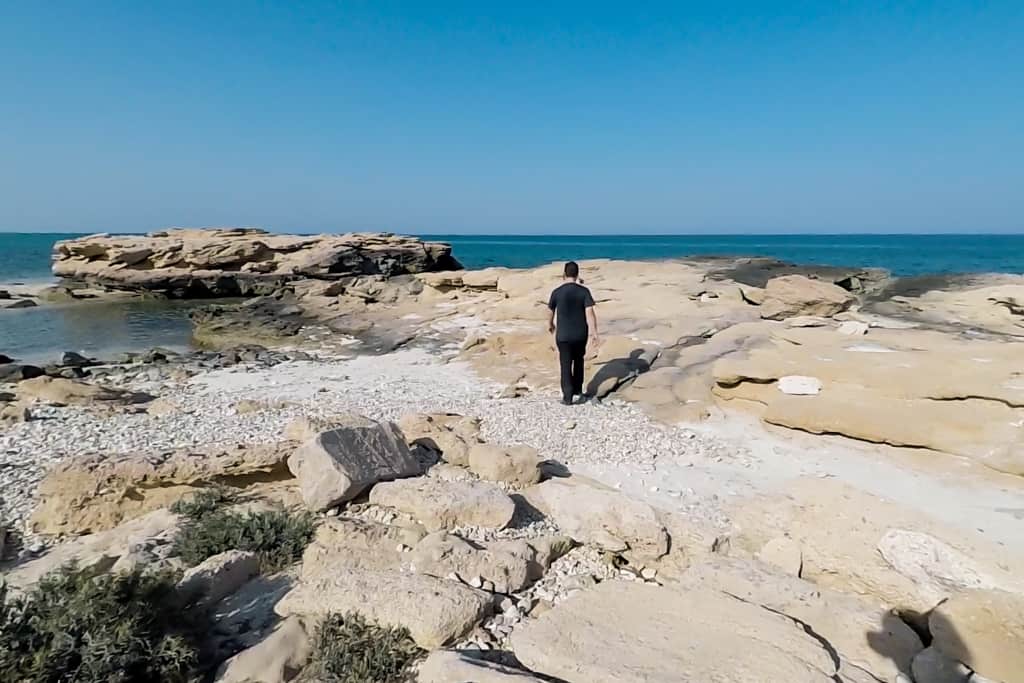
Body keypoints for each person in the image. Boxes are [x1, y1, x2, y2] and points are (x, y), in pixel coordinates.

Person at [547, 261, 599, 405]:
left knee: (565, 364)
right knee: (578, 361)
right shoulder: (584, 291)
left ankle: (567, 397)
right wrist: (594, 333)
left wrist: (550, 324)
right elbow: (590, 313)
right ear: (577, 275)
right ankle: (578, 390)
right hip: (580, 334)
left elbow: (550, 311)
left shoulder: (556, 292)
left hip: (563, 335)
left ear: (564, 274)